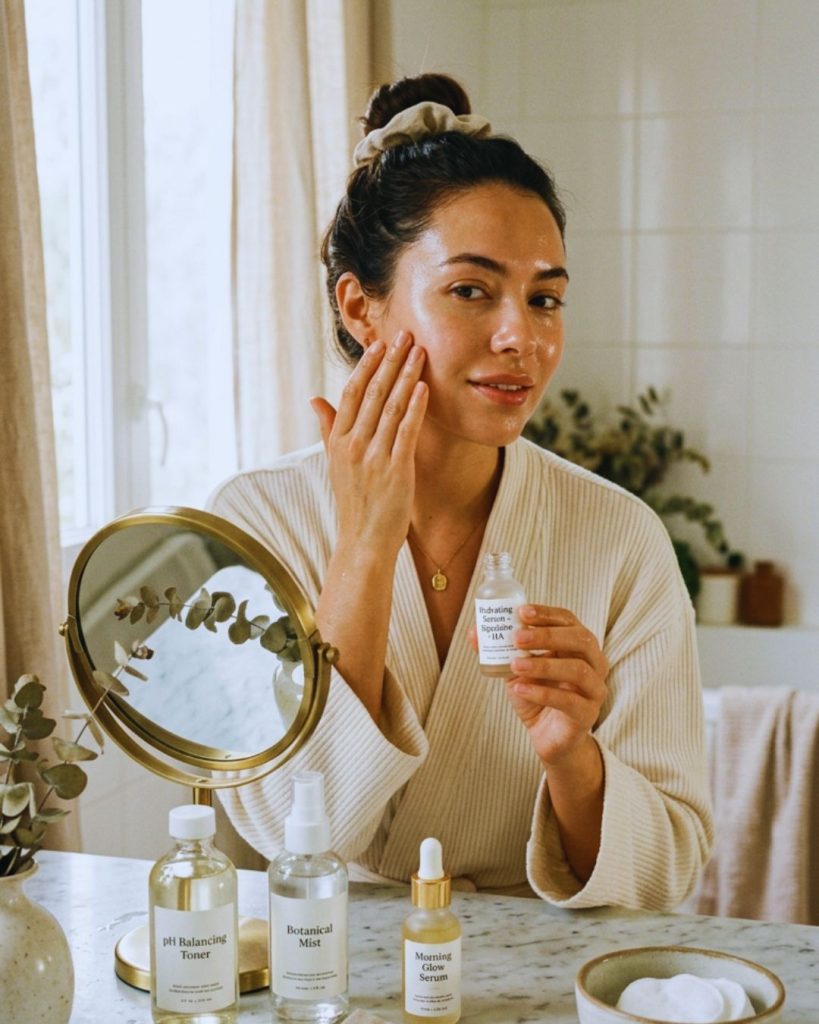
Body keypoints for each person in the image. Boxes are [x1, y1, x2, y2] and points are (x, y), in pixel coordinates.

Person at [210, 73, 713, 910]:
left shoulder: (618, 537)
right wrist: (365, 543)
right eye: (470, 290)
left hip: (541, 975)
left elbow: (667, 869)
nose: (521, 335)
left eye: (544, 298)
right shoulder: (255, 523)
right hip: (325, 968)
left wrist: (573, 760)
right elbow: (297, 826)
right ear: (360, 306)